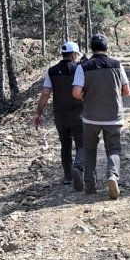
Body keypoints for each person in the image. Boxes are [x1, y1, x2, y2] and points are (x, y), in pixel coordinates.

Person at [72, 34, 130, 199]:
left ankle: (90, 187)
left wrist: (87, 97)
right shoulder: (117, 65)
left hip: (91, 117)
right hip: (113, 116)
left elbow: (76, 93)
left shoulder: (83, 67)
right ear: (107, 48)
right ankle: (112, 176)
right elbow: (126, 91)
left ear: (91, 48)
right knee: (113, 148)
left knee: (89, 150)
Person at [34, 41, 85, 190]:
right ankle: (78, 167)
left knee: (65, 145)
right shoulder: (80, 69)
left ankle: (68, 176)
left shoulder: (51, 71)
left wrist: (38, 113)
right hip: (79, 114)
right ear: (74, 54)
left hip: (60, 115)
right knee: (82, 144)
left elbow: (45, 93)